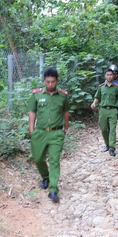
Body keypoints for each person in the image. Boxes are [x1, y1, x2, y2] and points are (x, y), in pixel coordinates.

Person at [28, 68, 70, 204]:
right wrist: (31, 129)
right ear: (44, 81)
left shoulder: (63, 96)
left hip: (56, 133)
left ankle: (53, 189)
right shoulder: (36, 95)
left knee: (54, 159)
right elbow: (32, 112)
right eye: (48, 82)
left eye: (53, 82)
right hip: (40, 132)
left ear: (57, 81)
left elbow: (65, 112)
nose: (50, 84)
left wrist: (66, 126)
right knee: (38, 158)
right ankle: (45, 177)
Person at [91, 67, 118, 157]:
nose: (110, 76)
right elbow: (97, 97)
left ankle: (112, 148)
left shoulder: (117, 88)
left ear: (113, 76)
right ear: (105, 76)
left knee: (112, 130)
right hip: (103, 110)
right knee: (103, 129)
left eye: (111, 75)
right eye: (108, 75)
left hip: (113, 110)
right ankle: (107, 144)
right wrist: (94, 103)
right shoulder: (101, 87)